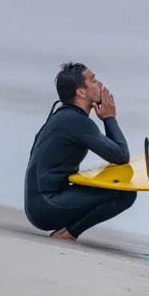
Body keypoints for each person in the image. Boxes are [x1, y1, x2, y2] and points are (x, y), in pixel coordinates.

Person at [23, 62, 137, 242]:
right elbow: (121, 156)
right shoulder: (76, 121)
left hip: (39, 204)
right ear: (81, 92)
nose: (100, 84)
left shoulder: (63, 116)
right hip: (46, 206)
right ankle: (69, 233)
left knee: (119, 188)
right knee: (126, 193)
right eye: (93, 80)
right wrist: (110, 119)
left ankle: (66, 229)